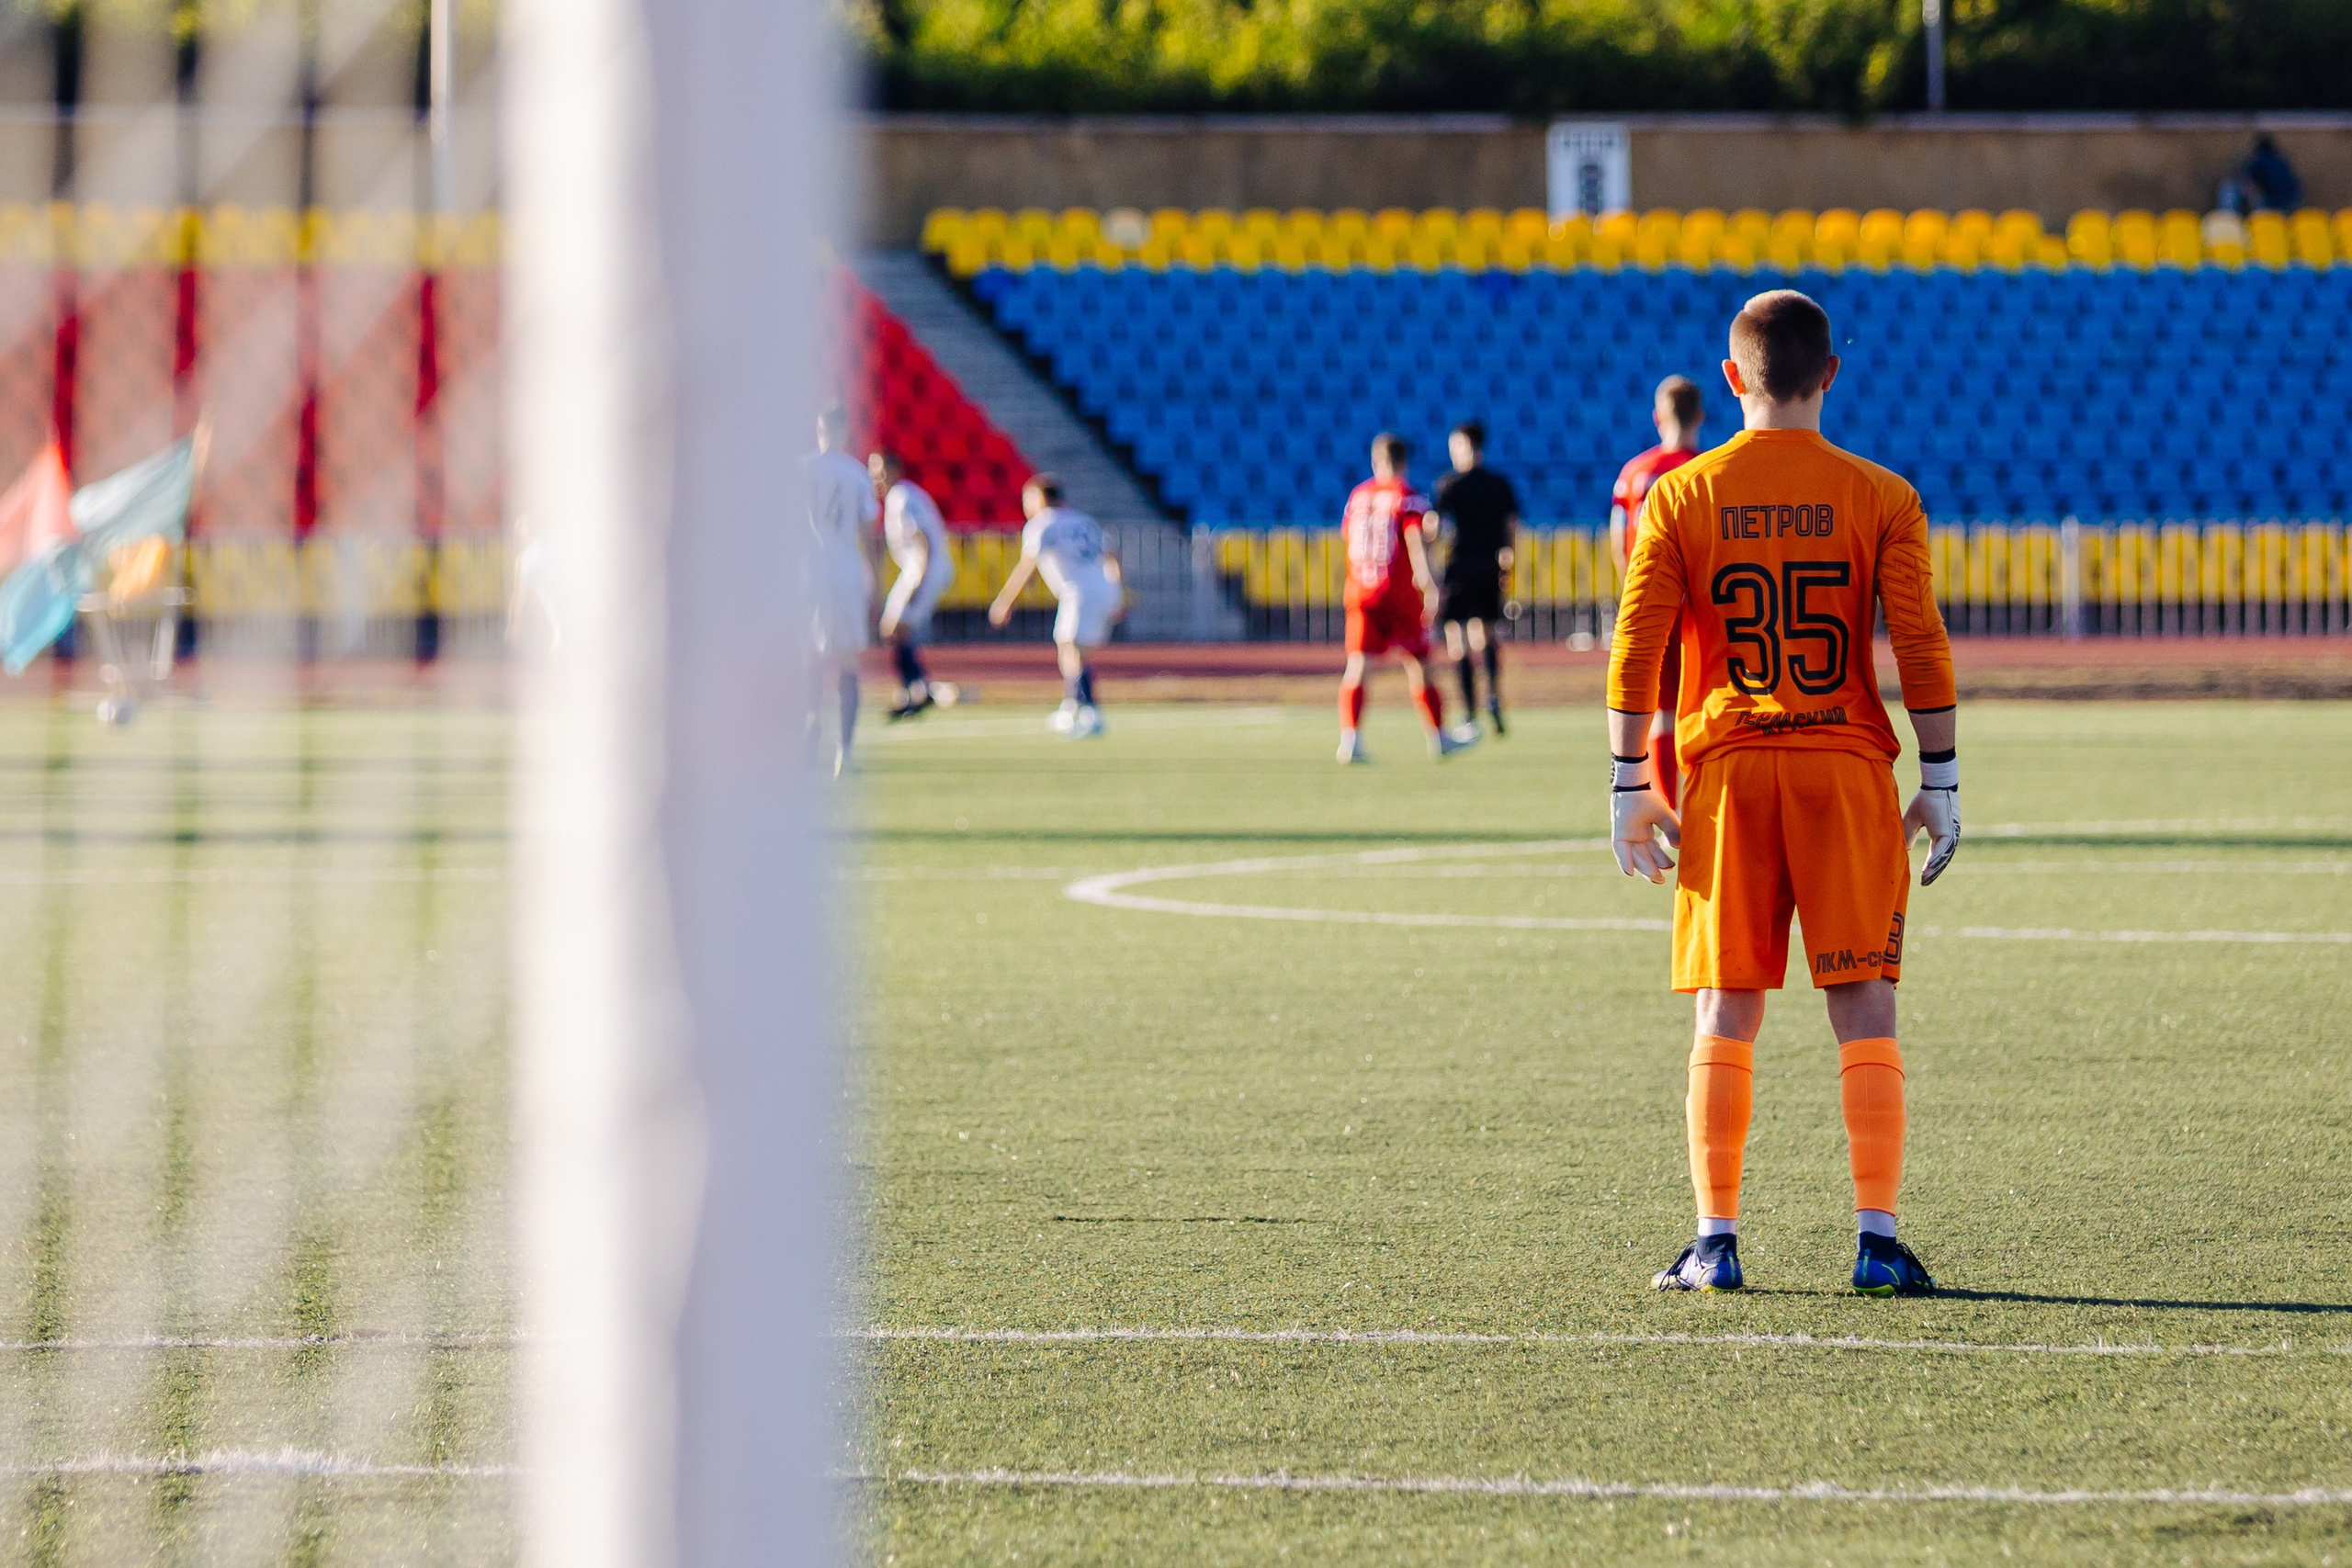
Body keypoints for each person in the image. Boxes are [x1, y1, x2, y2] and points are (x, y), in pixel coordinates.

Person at [1606, 289, 1961, 1299]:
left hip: (1729, 768)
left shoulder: (1682, 493)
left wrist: (1629, 780)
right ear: (1830, 373)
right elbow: (1920, 642)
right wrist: (1939, 776)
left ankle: (1714, 1242)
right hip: (1845, 766)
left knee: (1726, 1005)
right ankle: (1878, 1242)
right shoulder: (1881, 494)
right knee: (1865, 1000)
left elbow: (1637, 644)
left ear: (1731, 378)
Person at [1336, 434, 1479, 764]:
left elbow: (1348, 537)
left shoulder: (1358, 496)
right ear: (1404, 463)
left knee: (1358, 665)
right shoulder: (1408, 498)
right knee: (1421, 663)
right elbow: (1416, 542)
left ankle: (1350, 739)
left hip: (1360, 590)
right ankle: (1439, 737)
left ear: (1376, 461)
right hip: (1397, 592)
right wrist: (1430, 586)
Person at [1609, 375, 1708, 808]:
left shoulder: (1635, 473)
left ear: (1657, 417)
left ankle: (1672, 811)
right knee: (1714, 705)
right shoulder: (1710, 470)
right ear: (1700, 416)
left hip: (1652, 603)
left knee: (1662, 712)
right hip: (1703, 607)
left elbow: (1619, 541)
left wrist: (1633, 592)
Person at [988, 474, 1122, 739]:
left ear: (1040, 498)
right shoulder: (1084, 520)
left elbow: (1028, 564)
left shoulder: (1042, 523)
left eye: (1028, 499)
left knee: (1071, 651)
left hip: (1078, 592)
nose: (1025, 505)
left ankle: (1089, 712)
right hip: (1103, 588)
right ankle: (1071, 708)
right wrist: (1117, 592)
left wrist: (1005, 601)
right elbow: (1113, 556)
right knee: (1074, 652)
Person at [1430, 422, 1520, 736]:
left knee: (1458, 640)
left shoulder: (1448, 485)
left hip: (1459, 567)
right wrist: (1508, 562)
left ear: (1466, 446)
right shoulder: (1499, 484)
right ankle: (1493, 695)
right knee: (1488, 634)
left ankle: (1469, 712)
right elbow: (1511, 527)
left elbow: (1436, 528)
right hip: (1489, 567)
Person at [806, 403, 878, 775]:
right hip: (846, 573)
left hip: (807, 573)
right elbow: (869, 532)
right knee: (848, 661)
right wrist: (877, 579)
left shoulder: (799, 470)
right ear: (846, 431)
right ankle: (845, 752)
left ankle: (808, 735)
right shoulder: (856, 473)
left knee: (810, 657)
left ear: (817, 429)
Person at [870, 450, 959, 719]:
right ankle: (918, 688)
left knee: (897, 628)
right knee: (893, 629)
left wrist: (918, 581)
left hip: (923, 569)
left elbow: (922, 541)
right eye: (873, 472)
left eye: (881, 471)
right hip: (919, 568)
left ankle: (915, 690)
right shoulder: (901, 496)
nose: (876, 478)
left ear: (895, 469)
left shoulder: (902, 497)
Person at [2246, 134, 2303, 213]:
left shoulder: (2259, 162)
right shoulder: (2281, 160)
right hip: (2294, 197)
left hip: (2275, 201)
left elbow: (2250, 184)